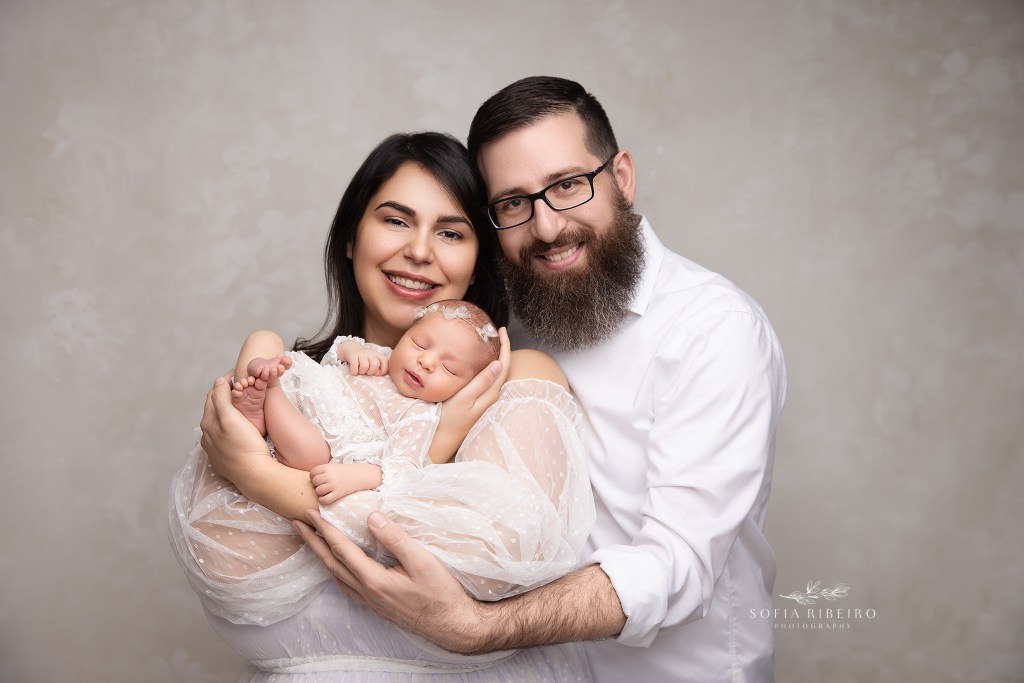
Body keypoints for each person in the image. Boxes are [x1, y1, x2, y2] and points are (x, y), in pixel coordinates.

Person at [293, 77, 788, 683]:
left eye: (568, 186)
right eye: (513, 204)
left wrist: (478, 627)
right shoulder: (497, 325)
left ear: (622, 177)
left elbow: (677, 564)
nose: (547, 227)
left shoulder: (713, 329)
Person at [169, 131, 596, 681]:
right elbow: (229, 572)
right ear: (351, 238)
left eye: (451, 232)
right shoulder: (295, 380)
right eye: (396, 220)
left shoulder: (518, 380)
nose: (419, 251)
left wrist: (258, 477)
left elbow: (502, 563)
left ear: (478, 261)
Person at [228, 300, 500, 506]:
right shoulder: (382, 357)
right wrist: (353, 350)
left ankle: (266, 395)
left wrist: (353, 477)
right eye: (419, 344)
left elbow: (401, 468)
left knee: (314, 455)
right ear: (403, 337)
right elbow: (335, 352)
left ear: (464, 387)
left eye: (449, 369)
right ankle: (257, 398)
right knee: (263, 338)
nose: (426, 362)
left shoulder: (419, 414)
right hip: (301, 385)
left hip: (312, 436)